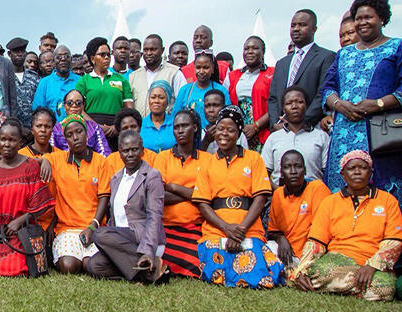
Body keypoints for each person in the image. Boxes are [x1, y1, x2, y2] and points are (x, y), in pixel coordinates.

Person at [289, 150, 401, 302]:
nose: (357, 172)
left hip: (371, 266)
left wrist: (372, 266)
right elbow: (316, 242)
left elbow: (394, 242)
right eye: (351, 168)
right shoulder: (330, 202)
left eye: (363, 167)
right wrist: (301, 270)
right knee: (318, 271)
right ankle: (359, 288)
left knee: (386, 287)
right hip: (336, 261)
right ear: (343, 174)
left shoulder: (387, 201)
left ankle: (334, 287)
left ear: (371, 173)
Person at [322, 0, 402, 201]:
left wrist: (377, 104)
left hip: (381, 134)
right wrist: (340, 105)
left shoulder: (396, 47)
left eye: (369, 17)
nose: (362, 22)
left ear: (382, 19)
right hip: (344, 134)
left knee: (384, 193)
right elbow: (328, 89)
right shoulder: (344, 54)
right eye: (358, 18)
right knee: (342, 193)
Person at [192, 105, 282, 289]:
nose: (224, 134)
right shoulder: (208, 162)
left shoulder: (253, 158)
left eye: (230, 130)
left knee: (259, 274)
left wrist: (240, 230)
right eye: (220, 129)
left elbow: (260, 198)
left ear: (239, 132)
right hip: (217, 229)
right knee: (214, 268)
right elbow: (203, 203)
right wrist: (226, 229)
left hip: (247, 227)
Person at [0, 123, 54, 277]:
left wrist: (20, 220)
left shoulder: (30, 167)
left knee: (17, 266)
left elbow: (42, 204)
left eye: (12, 140)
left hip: (22, 232)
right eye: (3, 139)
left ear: (20, 142)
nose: (7, 144)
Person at [85, 130, 167, 283]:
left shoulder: (151, 176)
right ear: (120, 153)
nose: (130, 154)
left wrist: (148, 250)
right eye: (125, 150)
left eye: (134, 149)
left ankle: (150, 260)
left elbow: (154, 216)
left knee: (99, 234)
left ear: (142, 151)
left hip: (142, 238)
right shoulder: (116, 178)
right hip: (121, 242)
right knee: (94, 266)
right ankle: (147, 273)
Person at [41, 117, 112, 275]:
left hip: (94, 227)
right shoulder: (57, 159)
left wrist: (93, 226)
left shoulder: (101, 162)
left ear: (86, 134)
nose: (75, 137)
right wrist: (44, 160)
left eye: (79, 132)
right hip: (67, 229)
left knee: (91, 265)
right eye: (70, 134)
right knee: (68, 266)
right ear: (65, 139)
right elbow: (30, 159)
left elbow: (104, 197)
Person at [152, 109, 206, 279]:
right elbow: (158, 196)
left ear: (195, 128)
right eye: (176, 127)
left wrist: (174, 187)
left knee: (199, 262)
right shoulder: (163, 158)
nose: (180, 130)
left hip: (195, 226)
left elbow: (208, 196)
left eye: (185, 126)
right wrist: (193, 193)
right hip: (166, 227)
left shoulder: (207, 159)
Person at [267, 9, 336, 135]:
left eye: (302, 25)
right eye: (293, 25)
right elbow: (273, 98)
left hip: (310, 129)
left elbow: (322, 94)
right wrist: (275, 124)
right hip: (280, 131)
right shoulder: (282, 63)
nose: (296, 29)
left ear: (314, 29)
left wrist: (299, 124)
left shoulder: (326, 57)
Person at [265, 150, 331, 267]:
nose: (293, 172)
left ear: (305, 170)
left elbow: (321, 230)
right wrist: (281, 239)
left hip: (312, 254)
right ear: (281, 173)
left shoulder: (317, 188)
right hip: (286, 252)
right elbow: (273, 231)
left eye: (298, 167)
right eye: (287, 167)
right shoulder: (278, 194)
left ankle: (294, 271)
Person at [260, 87, 329, 185]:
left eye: (299, 102)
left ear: (306, 106)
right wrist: (278, 193)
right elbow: (263, 174)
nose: (294, 106)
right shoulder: (273, 138)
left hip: (314, 196)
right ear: (283, 109)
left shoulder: (321, 137)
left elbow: (328, 173)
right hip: (281, 195)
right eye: (289, 103)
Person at [74, 38, 134, 145]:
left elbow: (129, 109)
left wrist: (118, 126)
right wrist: (96, 127)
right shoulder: (83, 81)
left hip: (117, 131)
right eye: (102, 54)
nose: (106, 57)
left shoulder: (121, 80)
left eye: (108, 54)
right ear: (93, 58)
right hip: (91, 131)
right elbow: (79, 110)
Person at [228, 36, 274, 146]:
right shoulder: (233, 76)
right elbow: (229, 104)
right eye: (246, 49)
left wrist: (255, 127)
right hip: (239, 132)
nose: (250, 52)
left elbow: (276, 105)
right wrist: (244, 129)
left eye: (255, 48)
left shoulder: (273, 73)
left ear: (263, 52)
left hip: (263, 132)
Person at [129, 34, 186, 117]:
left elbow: (183, 102)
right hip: (141, 128)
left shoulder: (174, 73)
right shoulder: (133, 76)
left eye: (153, 49)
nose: (149, 53)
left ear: (162, 50)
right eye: (146, 50)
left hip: (167, 127)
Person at [173, 51, 230, 129]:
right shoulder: (185, 90)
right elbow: (175, 117)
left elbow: (227, 117)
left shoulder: (221, 90)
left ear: (212, 69)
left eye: (206, 68)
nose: (201, 71)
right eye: (198, 67)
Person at [32, 45, 79, 122]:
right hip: (53, 131)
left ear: (71, 59)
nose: (63, 59)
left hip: (76, 129)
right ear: (53, 61)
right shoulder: (45, 82)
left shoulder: (80, 81)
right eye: (59, 57)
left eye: (66, 56)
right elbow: (38, 111)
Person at [7, 37, 40, 126]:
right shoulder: (5, 76)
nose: (19, 54)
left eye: (22, 51)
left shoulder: (34, 77)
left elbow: (39, 103)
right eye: (16, 51)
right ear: (9, 54)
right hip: (12, 128)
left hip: (33, 128)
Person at [140, 80, 175, 152]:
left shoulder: (175, 124)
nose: (156, 101)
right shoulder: (140, 125)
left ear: (168, 101)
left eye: (161, 98)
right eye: (153, 97)